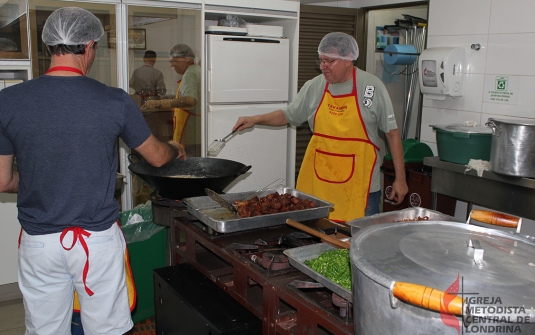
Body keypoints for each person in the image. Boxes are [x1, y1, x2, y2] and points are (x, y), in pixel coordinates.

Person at [0, 7, 186, 335]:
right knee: (106, 330)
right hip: (96, 241)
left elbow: (2, 180)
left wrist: (30, 179)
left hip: (39, 243)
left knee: (45, 330)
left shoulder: (8, 101)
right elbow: (157, 157)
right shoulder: (113, 101)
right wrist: (174, 147)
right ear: (89, 47)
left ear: (49, 47)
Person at [233, 32, 408, 222]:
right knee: (316, 238)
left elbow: (392, 134)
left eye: (329, 61)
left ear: (348, 59)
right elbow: (288, 115)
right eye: (321, 61)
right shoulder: (314, 86)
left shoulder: (372, 88)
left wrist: (401, 179)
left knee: (360, 241)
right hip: (319, 184)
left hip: (361, 187)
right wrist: (256, 119)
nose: (323, 66)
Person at [141, 44, 201, 157]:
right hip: (193, 131)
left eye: (175, 61)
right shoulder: (194, 70)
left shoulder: (190, 74)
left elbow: (190, 101)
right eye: (171, 61)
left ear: (187, 59)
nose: (172, 65)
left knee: (189, 162)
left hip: (190, 130)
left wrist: (159, 103)